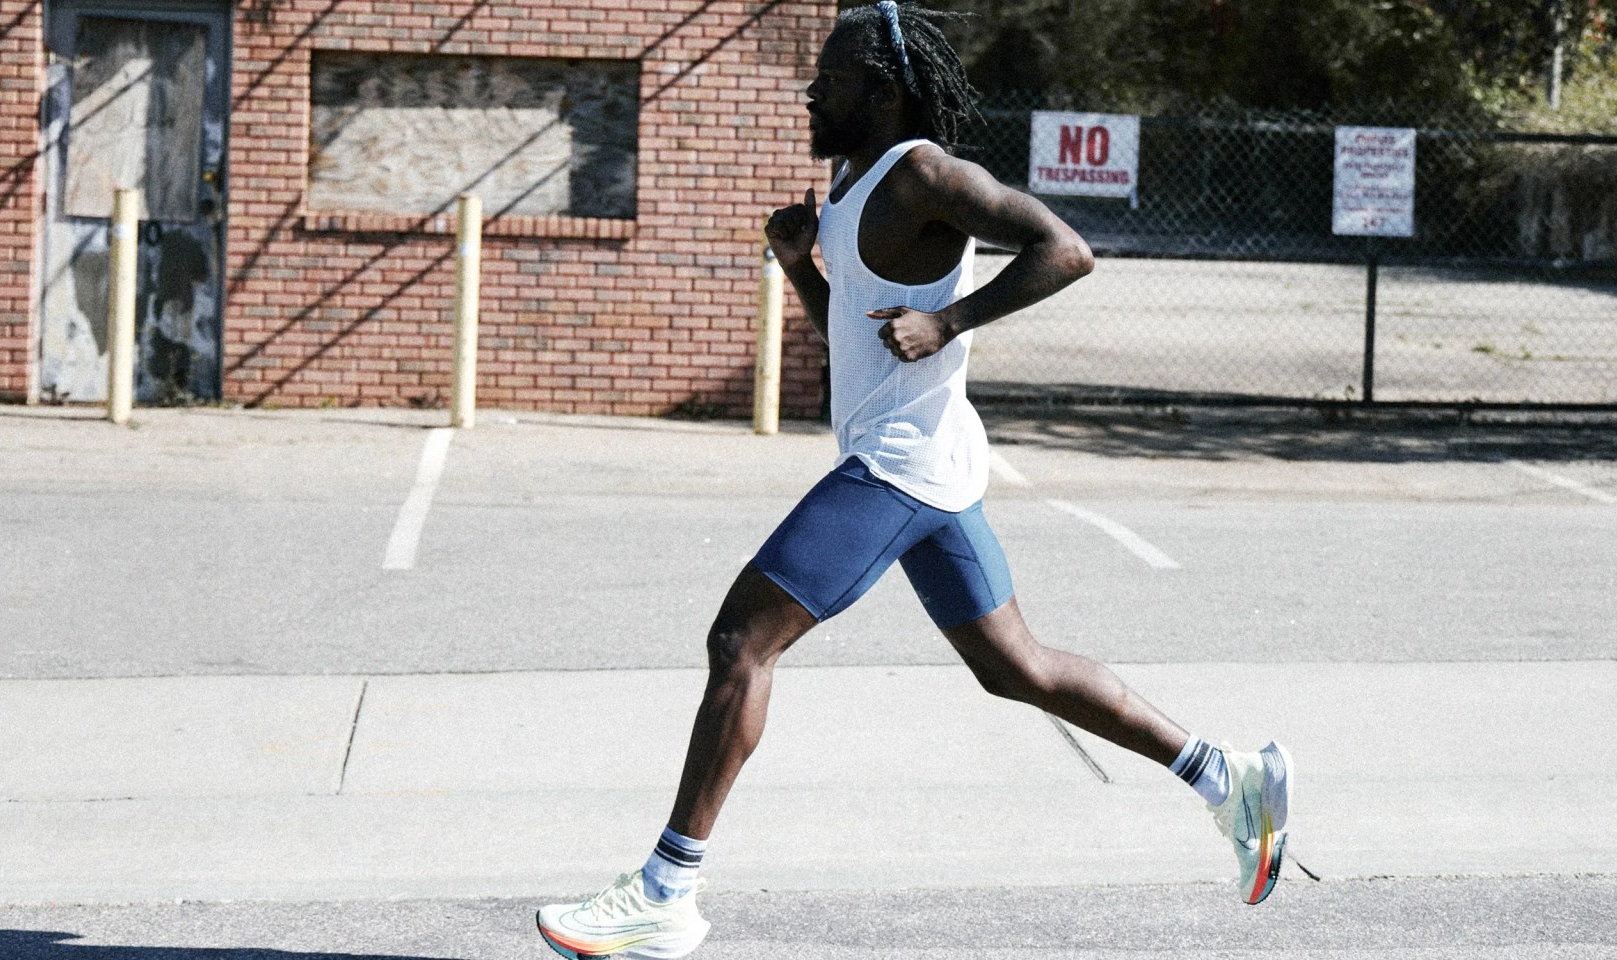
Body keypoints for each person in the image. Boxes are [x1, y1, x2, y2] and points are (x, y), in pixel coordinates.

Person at [534, 4, 1291, 957]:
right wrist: (799, 265)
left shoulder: (927, 174)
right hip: (926, 460)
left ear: (881, 92)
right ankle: (1228, 777)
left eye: (831, 79)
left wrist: (952, 321)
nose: (812, 92)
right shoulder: (850, 184)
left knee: (741, 642)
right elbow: (853, 337)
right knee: (1018, 668)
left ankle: (664, 889)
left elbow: (1067, 250)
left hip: (896, 467)